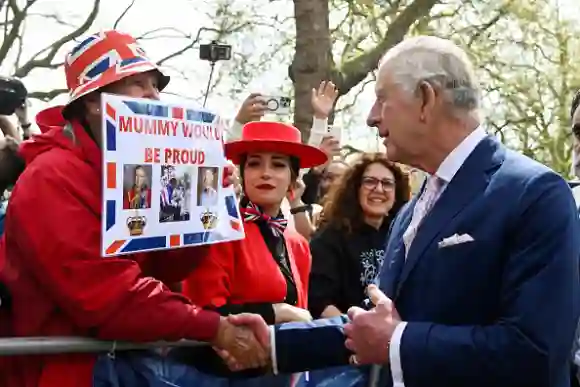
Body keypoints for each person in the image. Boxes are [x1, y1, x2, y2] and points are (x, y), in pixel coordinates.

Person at [224, 35, 580, 387]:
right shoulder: (412, 210)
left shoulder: (535, 194)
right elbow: (369, 325)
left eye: (382, 99)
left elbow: (536, 354)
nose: (371, 118)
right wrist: (272, 343)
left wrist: (398, 342)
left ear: (426, 99)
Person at [0, 30, 268, 387]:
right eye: (137, 83)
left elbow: (168, 268)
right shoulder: (50, 178)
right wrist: (213, 328)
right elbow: (109, 299)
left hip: (125, 351)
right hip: (71, 369)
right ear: (93, 101)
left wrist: (206, 207)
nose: (154, 96)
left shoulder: (132, 164)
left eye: (155, 84)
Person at [178, 121, 327, 386]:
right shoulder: (219, 230)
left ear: (293, 180)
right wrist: (276, 311)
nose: (265, 173)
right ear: (243, 172)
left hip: (280, 375)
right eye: (255, 164)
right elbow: (204, 311)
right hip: (213, 377)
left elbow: (301, 315)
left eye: (278, 165)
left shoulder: (299, 244)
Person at [309, 153, 410, 320]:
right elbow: (320, 302)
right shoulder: (330, 238)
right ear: (355, 188)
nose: (378, 189)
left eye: (387, 183)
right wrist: (358, 333)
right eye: (370, 181)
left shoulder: (404, 236)